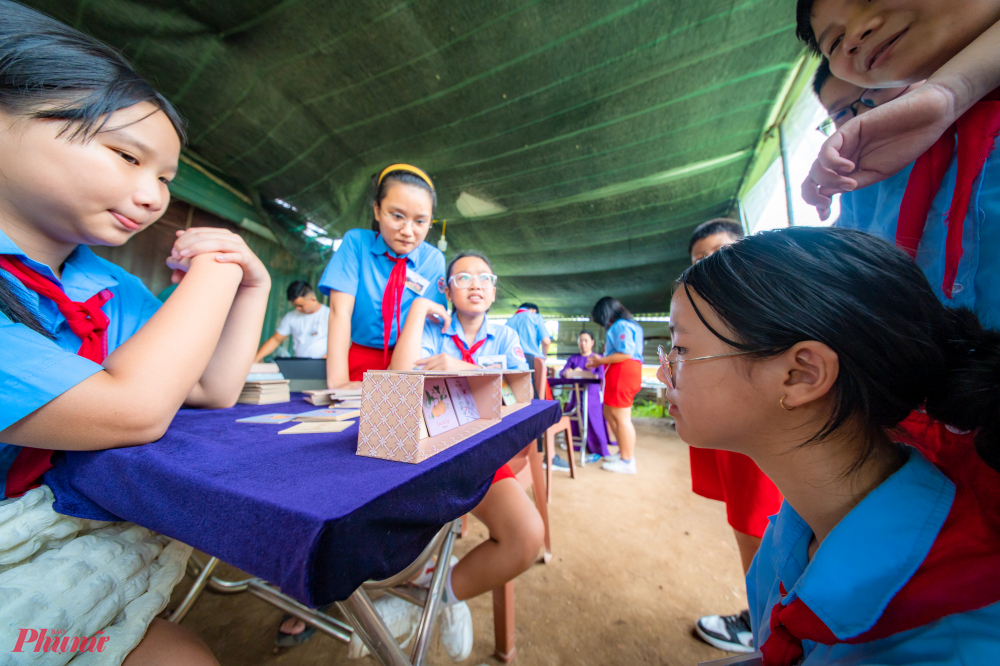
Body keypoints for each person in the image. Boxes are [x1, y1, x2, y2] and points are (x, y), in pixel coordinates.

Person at [0, 3, 272, 663]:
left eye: (164, 179)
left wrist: (251, 285)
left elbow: (207, 387)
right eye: (127, 156)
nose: (152, 197)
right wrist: (214, 271)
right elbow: (133, 408)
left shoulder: (109, 285)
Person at [665, 226, 1000, 664]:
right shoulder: (799, 526)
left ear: (802, 374)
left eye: (682, 349)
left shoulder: (942, 644)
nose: (663, 372)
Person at [364, 250, 541, 662]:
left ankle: (438, 597)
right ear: (446, 288)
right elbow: (396, 384)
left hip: (479, 456)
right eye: (463, 278)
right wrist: (420, 309)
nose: (476, 284)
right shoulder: (432, 331)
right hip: (425, 454)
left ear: (494, 290)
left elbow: (524, 398)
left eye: (484, 277)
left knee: (526, 537)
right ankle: (421, 586)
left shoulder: (506, 338)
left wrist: (462, 367)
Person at [684, 219, 784, 655]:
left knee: (759, 526)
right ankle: (765, 619)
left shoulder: (769, 299)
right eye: (698, 259)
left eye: (721, 251)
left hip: (763, 431)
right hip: (736, 433)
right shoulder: (703, 308)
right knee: (749, 523)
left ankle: (768, 631)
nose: (709, 265)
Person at [319, 164, 447, 389]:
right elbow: (340, 312)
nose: (408, 231)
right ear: (377, 210)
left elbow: (431, 324)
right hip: (360, 360)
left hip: (412, 361)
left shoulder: (433, 259)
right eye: (397, 216)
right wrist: (339, 381)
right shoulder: (356, 244)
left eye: (420, 221)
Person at [587, 297, 644, 474]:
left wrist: (600, 360)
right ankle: (623, 453)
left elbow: (625, 352)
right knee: (610, 413)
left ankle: (627, 461)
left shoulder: (621, 325)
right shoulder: (629, 325)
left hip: (623, 371)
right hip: (619, 372)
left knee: (621, 417)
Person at [550, 330, 612, 471]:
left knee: (594, 421)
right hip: (576, 396)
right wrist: (570, 372)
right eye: (580, 341)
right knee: (574, 417)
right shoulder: (573, 358)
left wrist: (578, 373)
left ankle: (597, 447)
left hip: (592, 396)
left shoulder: (597, 358)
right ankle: (575, 443)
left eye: (586, 340)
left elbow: (599, 375)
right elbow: (563, 372)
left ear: (592, 342)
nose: (583, 343)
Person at [254, 280, 329, 361]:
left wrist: (327, 358)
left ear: (313, 299)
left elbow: (343, 343)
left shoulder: (329, 315)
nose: (297, 308)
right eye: (295, 306)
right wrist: (256, 359)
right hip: (300, 364)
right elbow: (276, 339)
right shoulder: (290, 317)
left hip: (325, 364)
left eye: (301, 305)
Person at [504, 302, 551, 368]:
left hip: (512, 361)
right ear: (534, 310)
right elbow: (546, 341)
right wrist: (544, 356)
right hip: (533, 360)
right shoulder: (536, 317)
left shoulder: (509, 321)